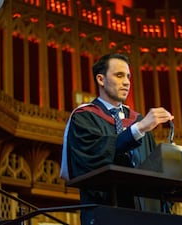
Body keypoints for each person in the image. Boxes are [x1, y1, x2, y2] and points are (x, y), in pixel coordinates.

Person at [60, 53, 174, 225]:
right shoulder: (84, 118)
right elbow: (92, 158)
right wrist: (138, 129)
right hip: (105, 215)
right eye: (119, 75)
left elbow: (153, 171)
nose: (127, 82)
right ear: (101, 79)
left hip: (144, 216)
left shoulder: (138, 120)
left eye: (128, 76)